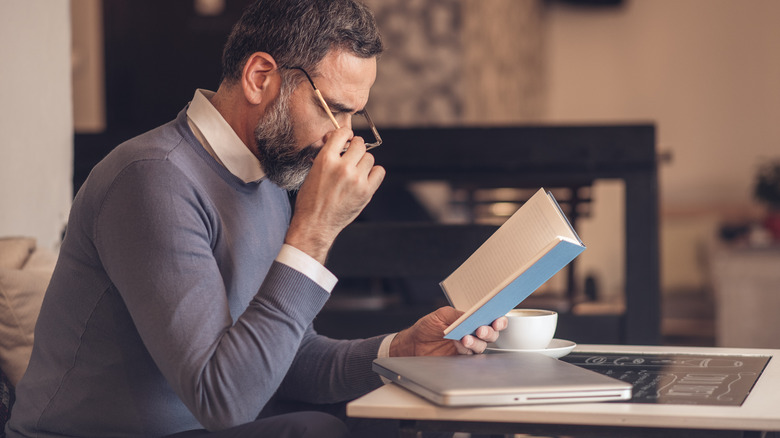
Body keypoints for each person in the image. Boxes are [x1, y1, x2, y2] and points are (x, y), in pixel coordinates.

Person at [6, 1, 506, 437]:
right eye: (334, 111)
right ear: (260, 78)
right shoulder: (151, 179)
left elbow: (282, 361)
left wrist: (401, 350)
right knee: (316, 430)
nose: (346, 140)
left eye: (356, 117)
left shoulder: (267, 175)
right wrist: (314, 230)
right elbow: (223, 400)